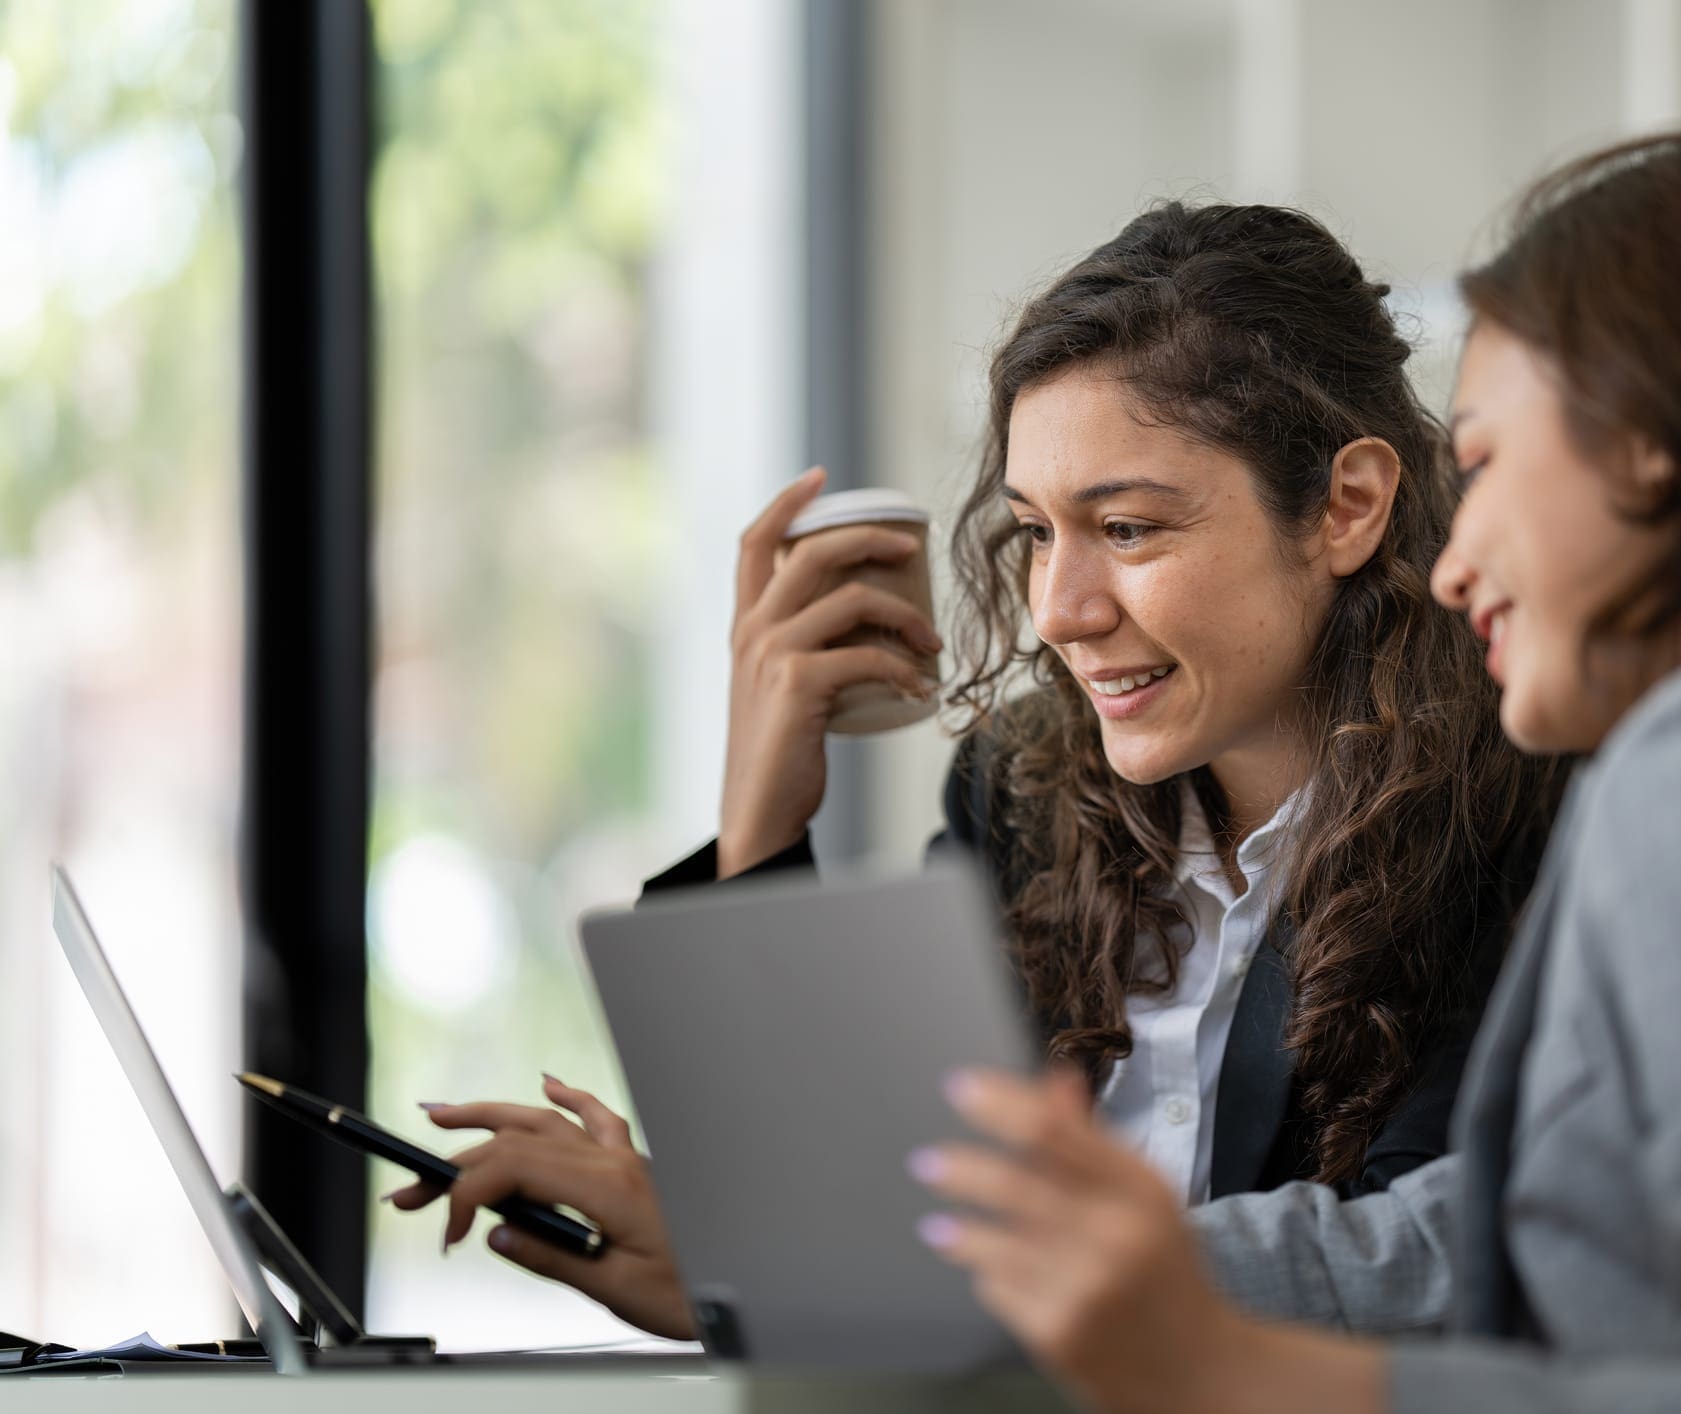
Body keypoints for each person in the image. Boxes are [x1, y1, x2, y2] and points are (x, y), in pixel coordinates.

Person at [905, 130, 1681, 1412]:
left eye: (1479, 464)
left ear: (1647, 450)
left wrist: (1244, 1372)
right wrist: (1074, 1283)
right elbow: (1482, 1238)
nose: (1451, 554)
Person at [386, 203, 1562, 1331]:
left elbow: (1416, 1277)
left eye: (1129, 528)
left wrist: (824, 1269)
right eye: (1040, 530)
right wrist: (760, 819)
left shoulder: (1521, 818)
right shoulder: (1026, 794)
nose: (1058, 607)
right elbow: (860, 1205)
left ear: (1347, 506)